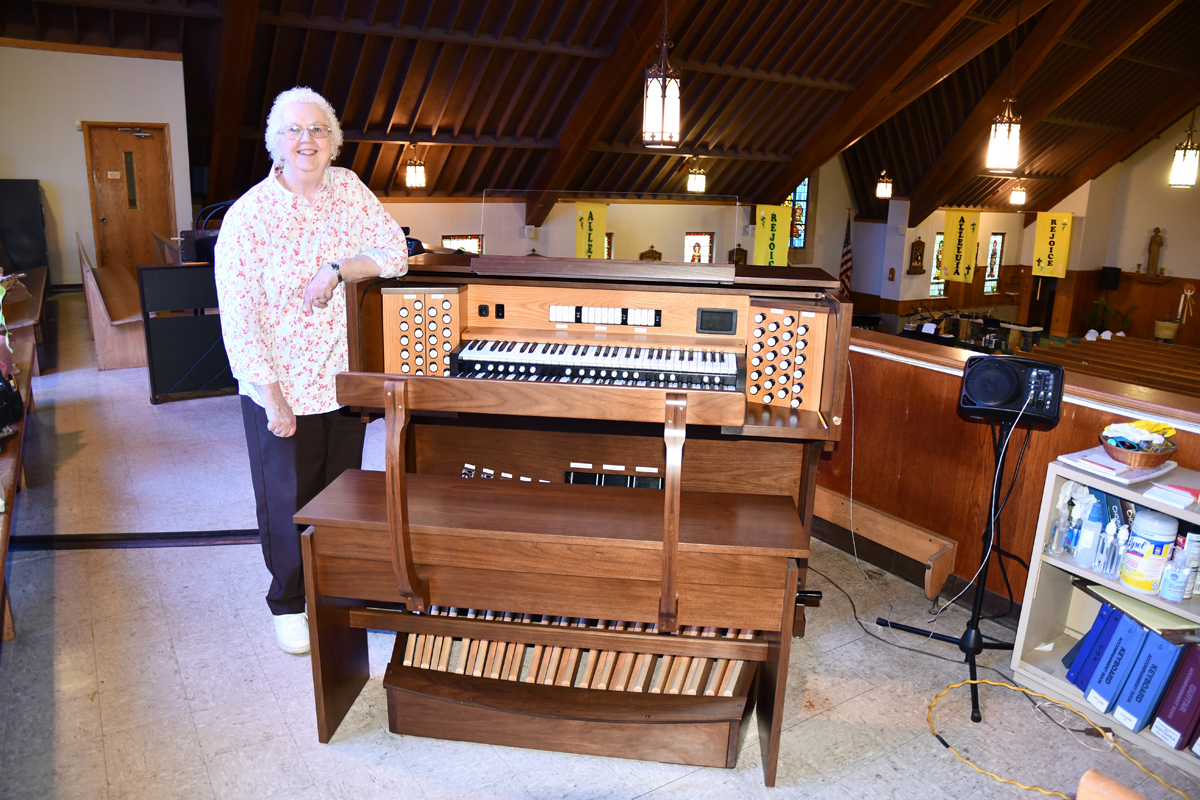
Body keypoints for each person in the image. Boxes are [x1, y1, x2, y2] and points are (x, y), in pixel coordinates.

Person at [215, 87, 408, 655]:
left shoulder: (348, 189)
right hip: (282, 386)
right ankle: (289, 602)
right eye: (295, 130)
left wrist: (336, 269)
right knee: (288, 499)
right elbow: (240, 318)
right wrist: (272, 398)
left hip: (342, 377)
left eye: (319, 129)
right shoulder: (249, 216)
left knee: (339, 495)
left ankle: (338, 592)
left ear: (334, 141)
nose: (308, 140)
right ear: (276, 142)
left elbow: (395, 251)